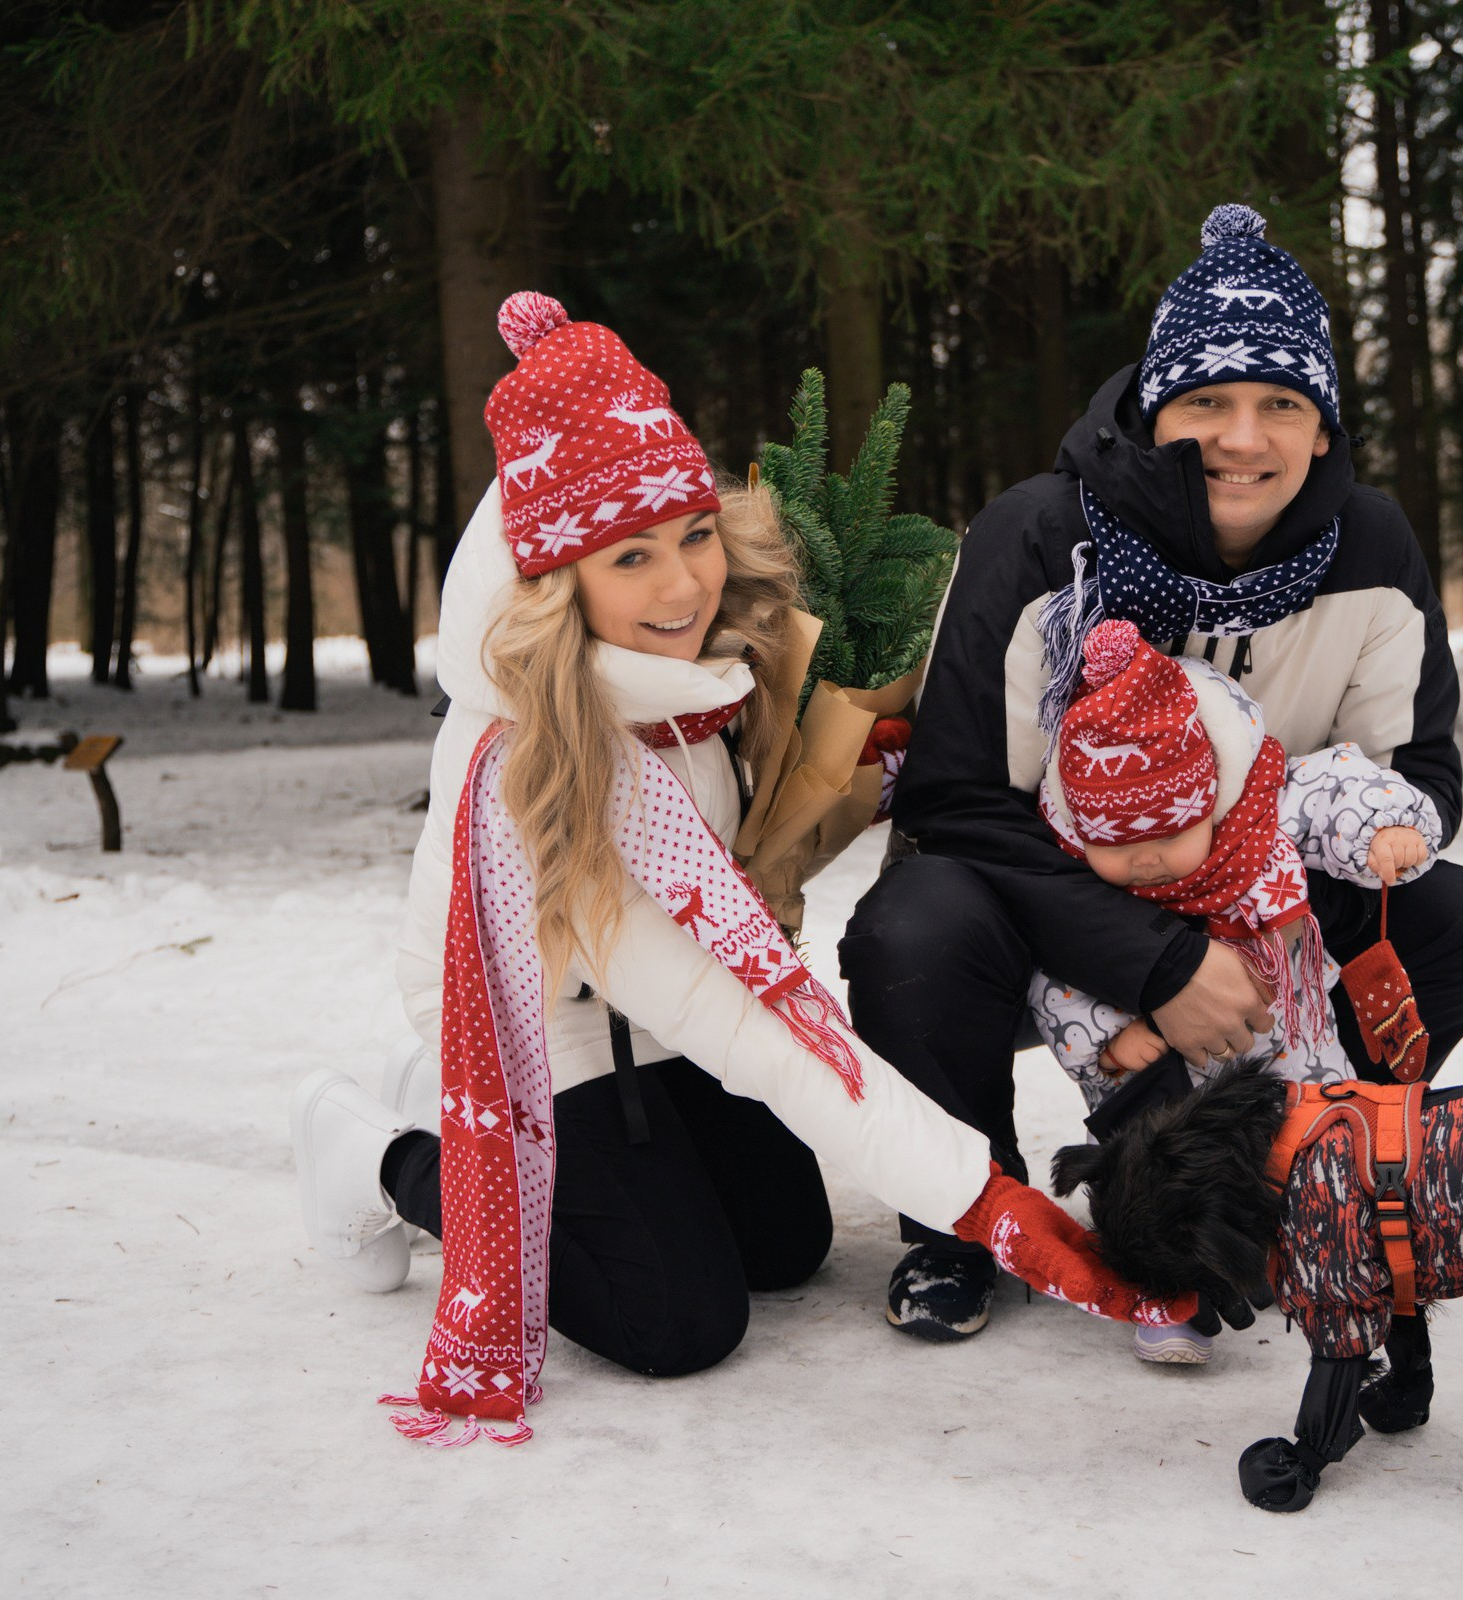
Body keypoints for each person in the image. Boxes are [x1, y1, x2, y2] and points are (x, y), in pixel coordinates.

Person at [291, 294, 1186, 1444]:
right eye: (631, 557)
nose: (682, 588)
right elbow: (737, 1012)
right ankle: (381, 1149)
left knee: (786, 1246)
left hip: (652, 1015)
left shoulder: (701, 661)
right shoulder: (537, 763)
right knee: (675, 1318)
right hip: (554, 1019)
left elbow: (742, 848)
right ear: (554, 583)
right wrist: (988, 1203)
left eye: (694, 536)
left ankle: (527, 1137)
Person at [842, 203, 1463, 1344]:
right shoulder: (1035, 537)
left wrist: (1257, 878)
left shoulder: (1374, 549)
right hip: (1034, 916)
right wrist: (1156, 962)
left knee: (1457, 921)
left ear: (1321, 424)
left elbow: (1418, 776)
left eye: (1280, 406)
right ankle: (961, 1217)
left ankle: (1290, 1174)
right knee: (913, 924)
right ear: (1156, 408)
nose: (1241, 438)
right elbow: (955, 803)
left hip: (1263, 896)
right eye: (1206, 401)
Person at [1024, 618, 1447, 1363]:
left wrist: (1389, 827)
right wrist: (1108, 1040)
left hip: (1287, 1046)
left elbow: (1335, 788)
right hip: (1158, 1093)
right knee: (1155, 1191)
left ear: (1208, 797)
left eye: (1166, 835)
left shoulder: (1254, 808)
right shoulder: (1079, 889)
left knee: (1313, 1150)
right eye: (1116, 847)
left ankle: (1339, 1258)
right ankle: (1170, 1295)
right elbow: (1055, 974)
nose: (1145, 862)